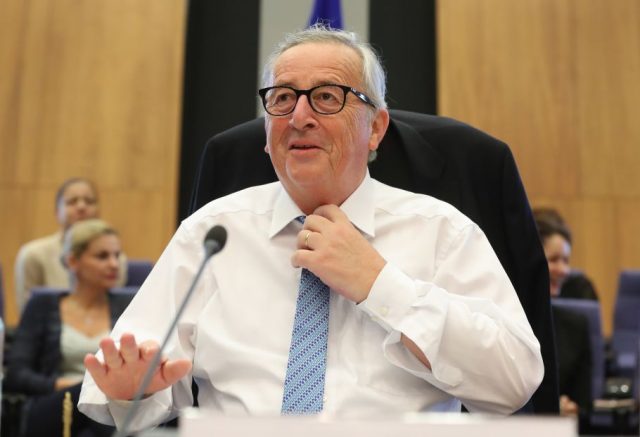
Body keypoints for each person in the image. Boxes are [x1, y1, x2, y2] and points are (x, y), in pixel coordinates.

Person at [78, 26, 544, 432]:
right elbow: (130, 391)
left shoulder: (443, 232)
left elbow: (513, 382)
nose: (299, 117)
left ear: (375, 128)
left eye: (326, 97)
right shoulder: (213, 233)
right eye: (283, 98)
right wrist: (131, 390)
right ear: (267, 131)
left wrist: (380, 284)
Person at [5, 219, 134, 436]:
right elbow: (16, 375)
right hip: (52, 406)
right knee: (91, 394)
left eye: (117, 255)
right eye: (102, 256)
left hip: (108, 408)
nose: (114, 264)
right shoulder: (41, 306)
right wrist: (66, 384)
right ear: (73, 261)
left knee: (103, 408)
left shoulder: (128, 307)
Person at [14, 177, 128, 310]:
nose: (82, 207)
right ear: (57, 211)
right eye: (72, 202)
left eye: (89, 201)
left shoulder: (117, 259)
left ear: (98, 210)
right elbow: (27, 311)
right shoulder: (33, 254)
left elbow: (113, 309)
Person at [533, 208, 592, 416]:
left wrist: (571, 408)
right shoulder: (504, 319)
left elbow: (585, 405)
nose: (564, 270)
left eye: (566, 260)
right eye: (554, 259)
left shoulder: (576, 327)